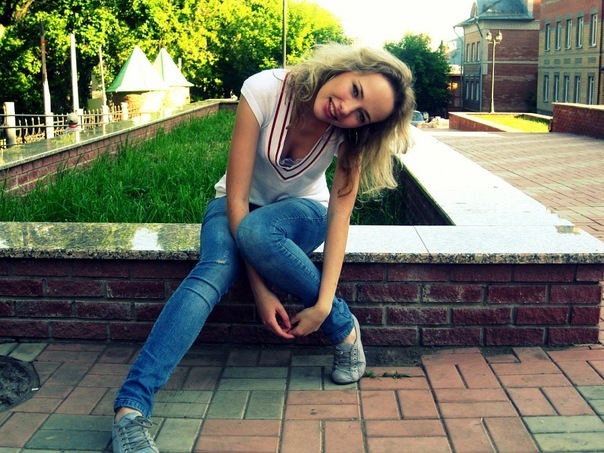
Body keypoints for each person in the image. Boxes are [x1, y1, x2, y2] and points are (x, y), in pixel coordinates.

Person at [111, 43, 415, 453]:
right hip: (234, 205)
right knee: (216, 266)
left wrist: (324, 306)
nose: (346, 109)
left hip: (302, 213)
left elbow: (340, 216)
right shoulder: (265, 89)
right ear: (345, 69)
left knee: (259, 231)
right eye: (355, 91)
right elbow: (237, 199)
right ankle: (131, 410)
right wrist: (261, 290)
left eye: (362, 115)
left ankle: (340, 324)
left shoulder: (349, 135)